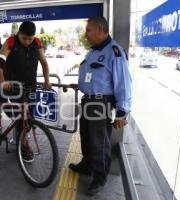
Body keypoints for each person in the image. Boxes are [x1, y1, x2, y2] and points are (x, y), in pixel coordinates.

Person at [69, 16, 132, 195]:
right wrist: (81, 86)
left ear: (101, 29)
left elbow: (124, 84)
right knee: (86, 137)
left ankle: (99, 177)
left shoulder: (115, 52)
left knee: (99, 143)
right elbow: (93, 77)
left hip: (100, 103)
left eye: (89, 30)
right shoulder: (93, 52)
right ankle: (87, 165)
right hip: (88, 100)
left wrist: (121, 113)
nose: (86, 34)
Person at [0, 21, 51, 162]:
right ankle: (23, 145)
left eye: (30, 39)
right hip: (13, 86)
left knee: (29, 117)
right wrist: (2, 81)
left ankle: (20, 139)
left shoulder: (37, 43)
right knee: (19, 116)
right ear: (19, 34)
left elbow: (44, 63)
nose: (27, 41)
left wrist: (47, 80)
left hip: (30, 86)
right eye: (24, 38)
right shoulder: (11, 42)